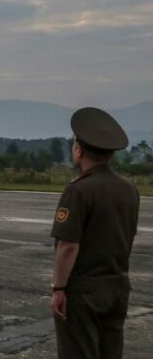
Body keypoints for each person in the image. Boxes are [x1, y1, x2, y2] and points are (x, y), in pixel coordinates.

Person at [49, 107, 139, 359]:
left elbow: (68, 246)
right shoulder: (129, 189)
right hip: (117, 287)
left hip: (84, 292)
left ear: (79, 149)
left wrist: (59, 289)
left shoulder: (78, 191)